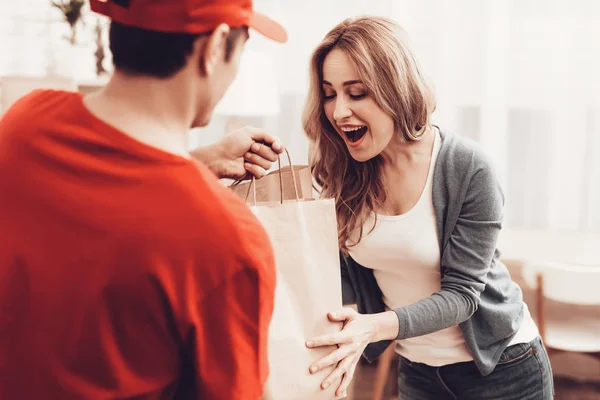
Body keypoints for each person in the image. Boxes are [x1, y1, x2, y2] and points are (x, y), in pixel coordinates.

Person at [0, 0, 287, 398]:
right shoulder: (228, 242)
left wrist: (198, 163)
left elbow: (106, 195)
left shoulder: (22, 126)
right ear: (215, 47)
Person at [303, 17, 554, 399]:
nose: (338, 112)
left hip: (504, 370)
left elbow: (463, 295)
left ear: (395, 89)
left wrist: (372, 327)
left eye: (356, 93)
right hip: (419, 373)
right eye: (329, 93)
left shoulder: (467, 167)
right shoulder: (341, 173)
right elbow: (346, 280)